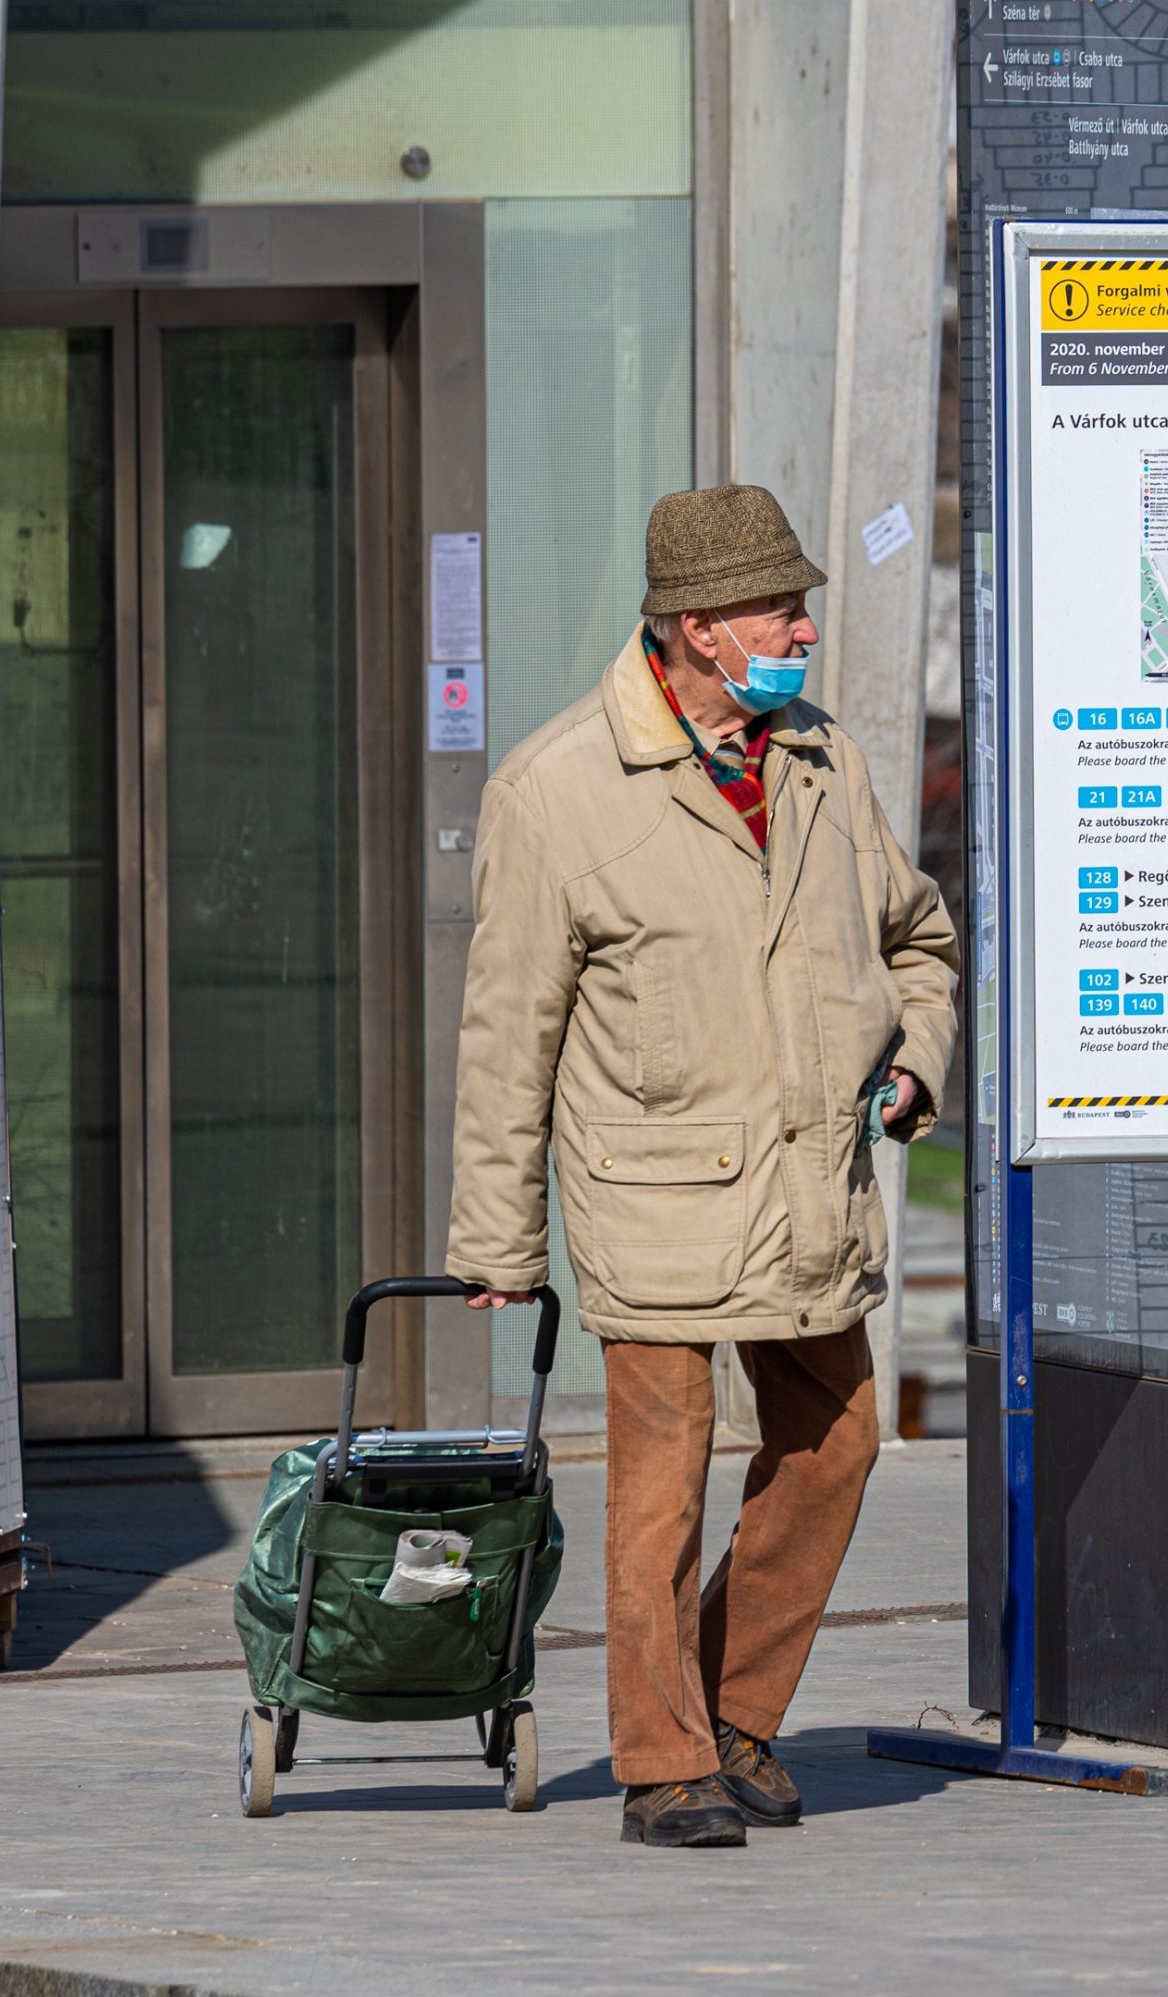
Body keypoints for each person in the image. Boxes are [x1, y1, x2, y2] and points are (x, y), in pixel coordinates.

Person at [449, 485, 957, 1849]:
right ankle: (663, 1759)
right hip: (657, 1194)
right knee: (658, 1492)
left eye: (801, 602)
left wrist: (915, 1063)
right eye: (777, 608)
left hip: (807, 1190)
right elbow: (509, 1035)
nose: (802, 624)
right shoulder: (556, 792)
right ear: (694, 631)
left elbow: (920, 942)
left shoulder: (823, 764)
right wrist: (498, 1241)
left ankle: (735, 1709)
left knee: (839, 1441)